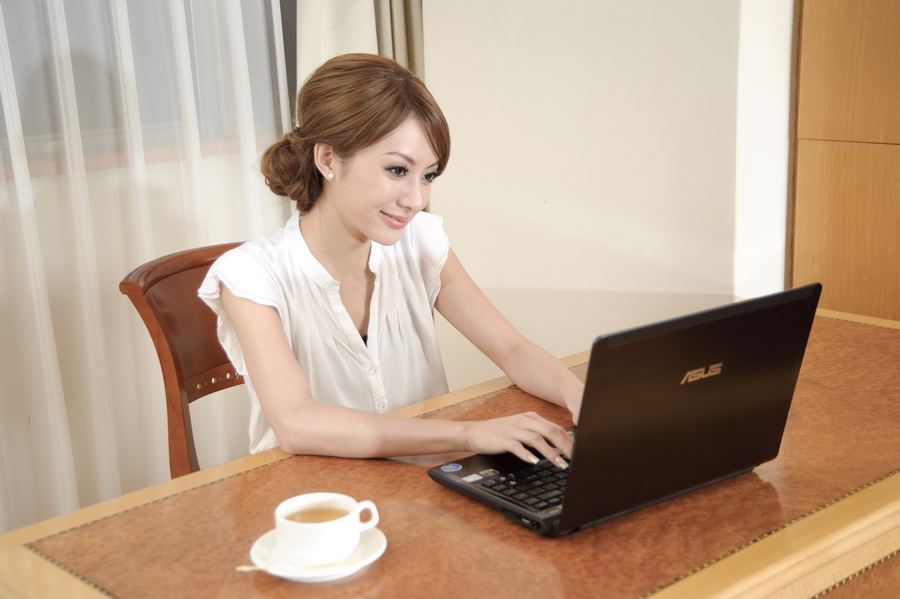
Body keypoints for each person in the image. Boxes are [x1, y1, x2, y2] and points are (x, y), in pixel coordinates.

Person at [199, 53, 583, 468]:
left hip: (423, 485)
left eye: (428, 175)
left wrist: (579, 395)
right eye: (398, 170)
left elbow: (512, 349)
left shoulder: (421, 242)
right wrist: (468, 433)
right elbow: (296, 422)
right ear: (327, 159)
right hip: (314, 496)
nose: (416, 199)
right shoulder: (250, 275)